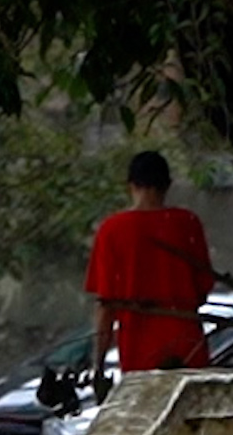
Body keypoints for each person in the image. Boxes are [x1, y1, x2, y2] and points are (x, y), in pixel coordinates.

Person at [85, 151, 213, 389]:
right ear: (167, 185)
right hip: (188, 345)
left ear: (131, 185)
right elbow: (203, 289)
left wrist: (99, 365)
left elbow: (106, 306)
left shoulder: (112, 230)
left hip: (138, 350)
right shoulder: (188, 224)